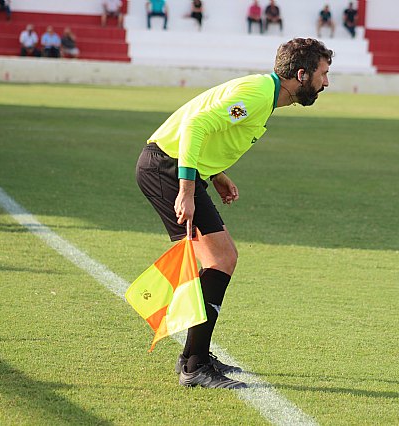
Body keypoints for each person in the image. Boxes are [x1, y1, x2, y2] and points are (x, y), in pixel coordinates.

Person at [135, 37, 333, 390]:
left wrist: (217, 175)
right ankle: (194, 364)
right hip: (167, 169)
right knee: (221, 258)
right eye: (323, 74)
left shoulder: (263, 95)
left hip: (181, 168)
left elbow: (214, 131)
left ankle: (194, 355)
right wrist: (186, 190)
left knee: (220, 259)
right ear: (301, 75)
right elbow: (196, 126)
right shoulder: (257, 95)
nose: (326, 83)